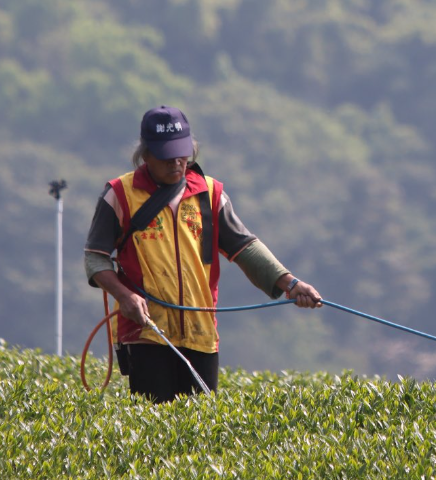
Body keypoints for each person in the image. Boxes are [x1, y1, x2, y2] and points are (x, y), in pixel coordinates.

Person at [84, 105, 322, 402]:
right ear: (145, 155)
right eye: (166, 156)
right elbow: (95, 258)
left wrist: (291, 284)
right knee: (155, 430)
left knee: (201, 430)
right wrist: (125, 296)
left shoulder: (211, 193)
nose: (177, 163)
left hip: (201, 335)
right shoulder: (119, 194)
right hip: (146, 334)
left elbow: (244, 246)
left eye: (182, 154)